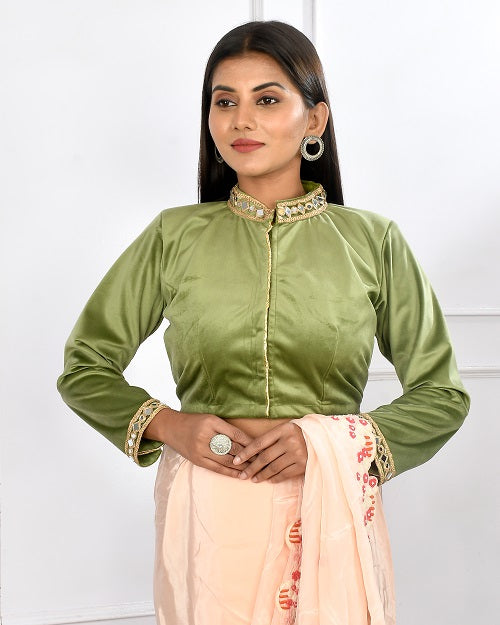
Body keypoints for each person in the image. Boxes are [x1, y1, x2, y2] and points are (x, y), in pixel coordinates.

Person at [57, 20, 470, 625]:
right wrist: (172, 426)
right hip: (209, 519)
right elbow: (84, 367)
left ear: (315, 120)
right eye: (224, 102)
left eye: (268, 99)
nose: (241, 120)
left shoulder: (372, 241)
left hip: (331, 512)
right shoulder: (174, 236)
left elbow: (442, 395)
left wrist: (325, 444)